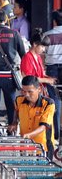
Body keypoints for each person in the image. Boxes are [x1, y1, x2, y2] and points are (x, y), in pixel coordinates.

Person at [8, 76, 56, 159]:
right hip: (25, 146)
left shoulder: (48, 104)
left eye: (30, 91)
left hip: (43, 147)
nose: (26, 94)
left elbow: (44, 126)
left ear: (39, 89)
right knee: (26, 170)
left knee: (43, 171)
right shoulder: (18, 100)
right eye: (23, 91)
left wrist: (29, 135)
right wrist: (14, 122)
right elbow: (16, 111)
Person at [42, 9, 62, 139]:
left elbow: (43, 54)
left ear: (54, 21)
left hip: (52, 68)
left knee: (55, 99)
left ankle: (57, 134)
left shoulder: (47, 35)